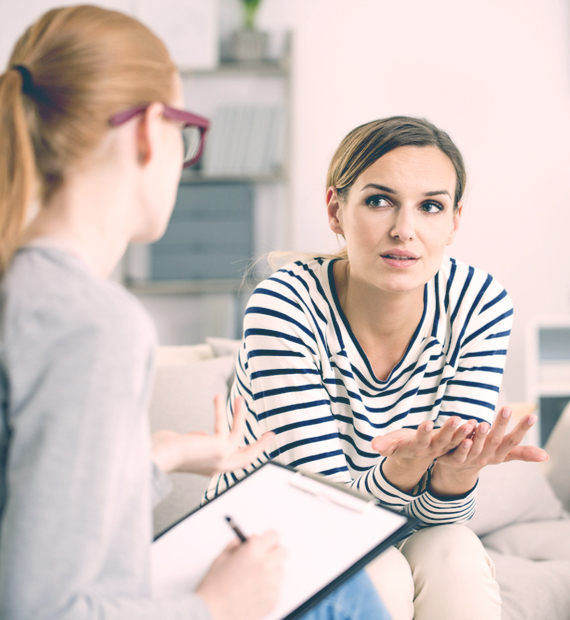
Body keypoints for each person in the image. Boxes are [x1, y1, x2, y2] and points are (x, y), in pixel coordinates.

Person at [0, 6, 391, 620]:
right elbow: (42, 608)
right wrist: (215, 607)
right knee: (334, 588)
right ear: (148, 130)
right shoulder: (92, 322)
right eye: (186, 132)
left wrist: (161, 455)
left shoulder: (24, 289)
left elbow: (34, 526)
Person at [204, 116, 549, 620]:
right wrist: (403, 471)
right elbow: (323, 514)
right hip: (267, 536)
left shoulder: (478, 303)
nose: (404, 230)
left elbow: (444, 517)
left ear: (454, 221)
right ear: (335, 209)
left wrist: (454, 477)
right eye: (379, 200)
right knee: (380, 570)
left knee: (454, 551)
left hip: (390, 526)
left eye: (430, 206)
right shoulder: (284, 304)